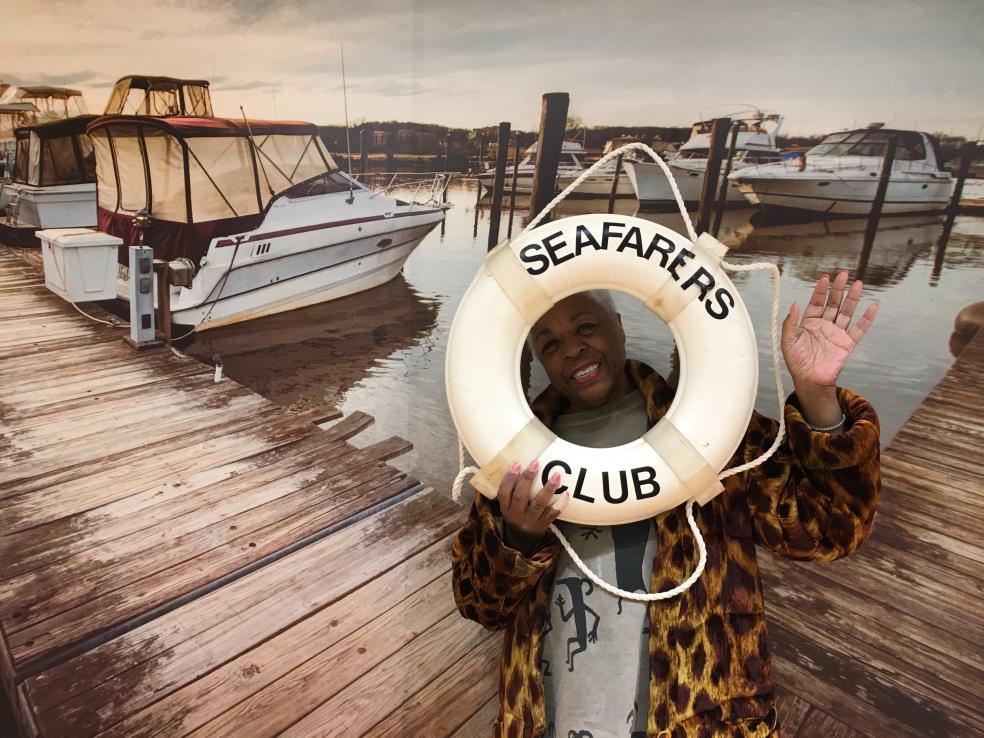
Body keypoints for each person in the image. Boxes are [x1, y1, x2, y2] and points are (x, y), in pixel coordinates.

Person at [451, 270, 881, 738]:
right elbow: (478, 604)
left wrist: (817, 396)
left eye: (585, 327)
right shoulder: (517, 454)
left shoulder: (710, 428)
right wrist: (517, 538)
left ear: (618, 326)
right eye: (549, 344)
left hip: (699, 719)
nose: (571, 348)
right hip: (553, 720)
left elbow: (829, 530)